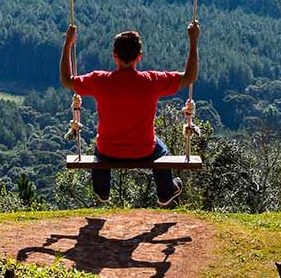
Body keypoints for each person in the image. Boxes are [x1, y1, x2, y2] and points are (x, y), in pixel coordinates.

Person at [59, 21, 200, 206]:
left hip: (108, 151)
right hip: (144, 151)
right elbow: (189, 76)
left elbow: (66, 80)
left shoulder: (99, 81)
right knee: (162, 150)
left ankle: (102, 191)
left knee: (98, 146)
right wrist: (193, 41)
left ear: (114, 56)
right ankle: (165, 191)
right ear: (139, 57)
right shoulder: (151, 81)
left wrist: (68, 43)